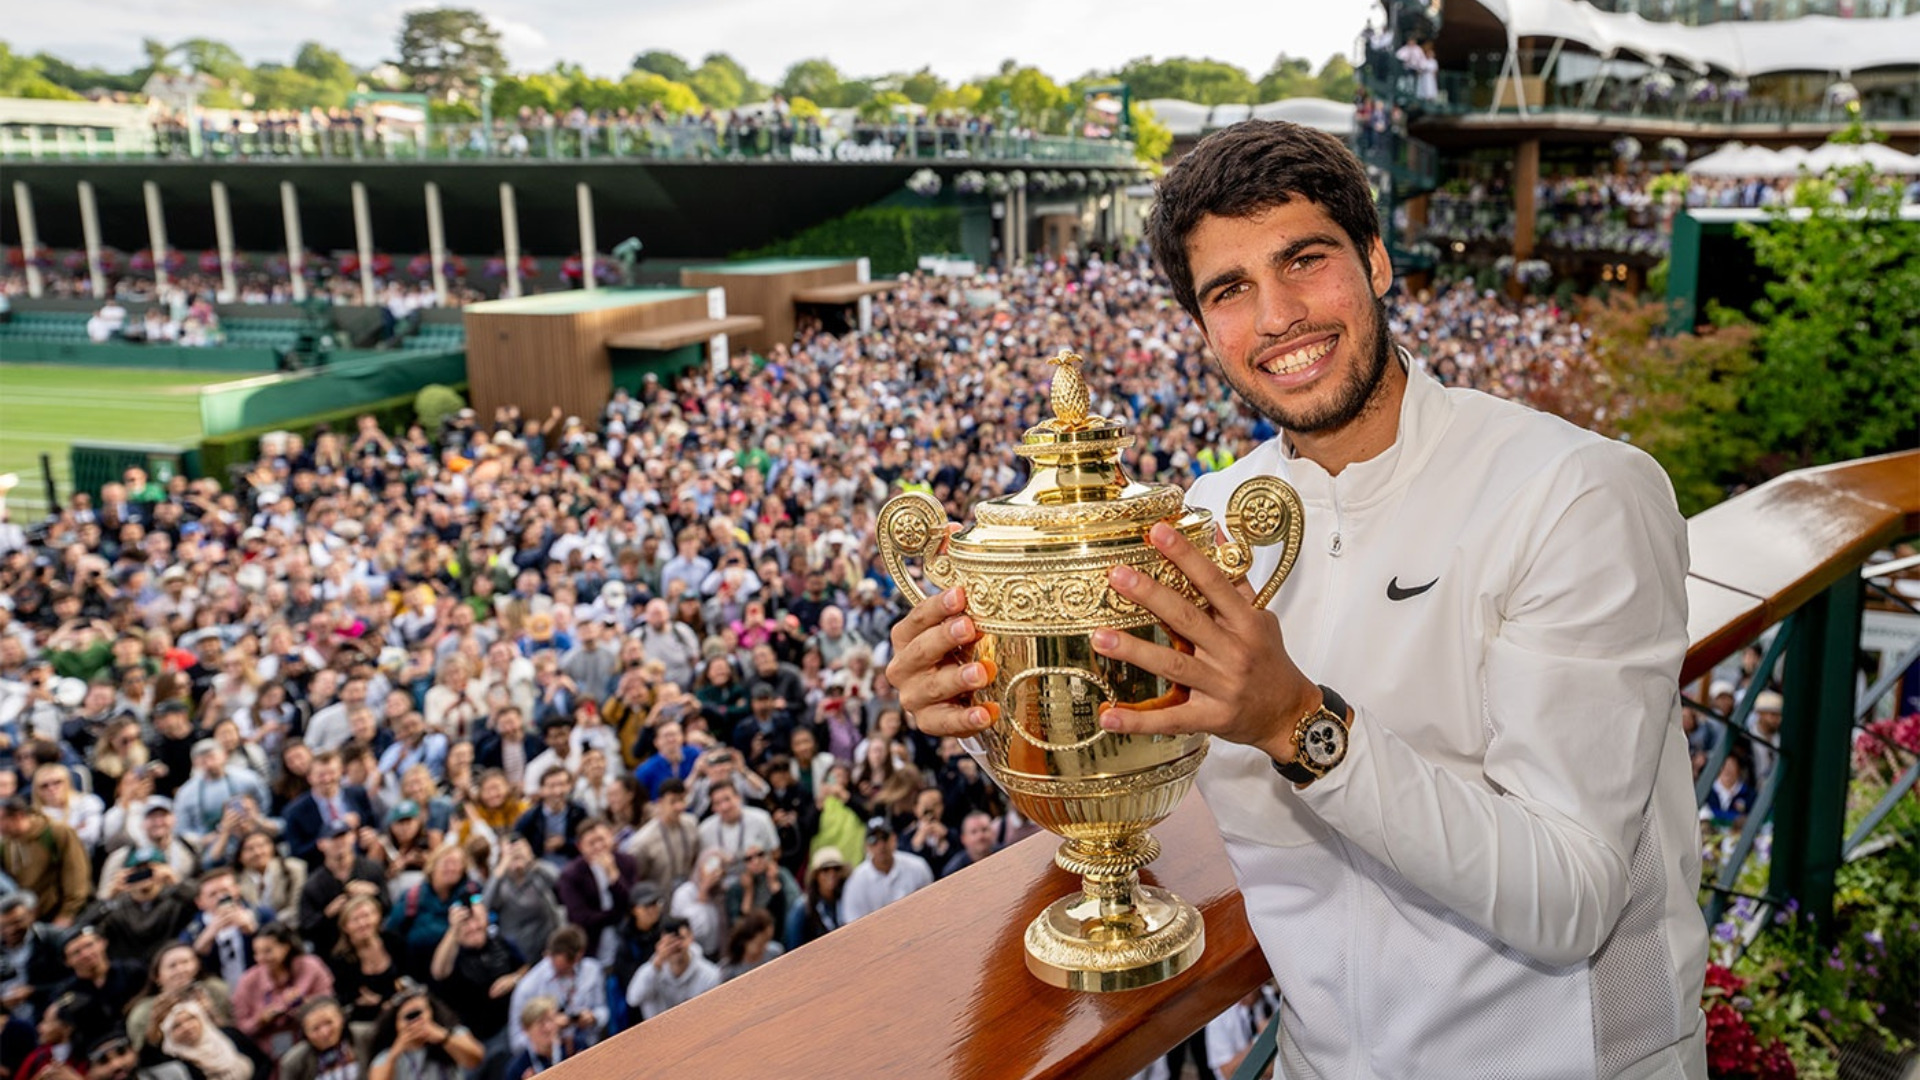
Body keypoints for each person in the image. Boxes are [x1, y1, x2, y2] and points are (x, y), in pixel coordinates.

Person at [889, 120, 1707, 1076]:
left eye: (1304, 260)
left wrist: (1298, 724)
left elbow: (1570, 901)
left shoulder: (1578, 491)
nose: (1275, 316)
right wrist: (987, 693)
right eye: (1229, 291)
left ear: (1377, 259)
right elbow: (1121, 763)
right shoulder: (1200, 521)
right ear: (1202, 327)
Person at [426, 897, 525, 1060]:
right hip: (472, 1037)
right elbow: (439, 971)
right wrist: (454, 930)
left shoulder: (499, 941)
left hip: (507, 1027)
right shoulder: (451, 951)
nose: (473, 927)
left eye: (477, 921)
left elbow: (526, 968)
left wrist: (513, 979)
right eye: (466, 925)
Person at [232, 921, 333, 1059]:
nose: (260, 959)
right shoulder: (248, 981)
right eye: (257, 953)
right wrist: (261, 1019)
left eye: (268, 951)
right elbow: (242, 1026)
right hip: (271, 1046)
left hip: (314, 1035)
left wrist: (303, 1004)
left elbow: (329, 1002)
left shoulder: (311, 966)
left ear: (285, 947)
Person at [505, 925, 607, 1053]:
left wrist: (593, 1018)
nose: (555, 966)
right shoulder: (528, 987)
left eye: (564, 967)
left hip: (589, 1047)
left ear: (578, 956)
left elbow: (603, 1011)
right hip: (550, 1058)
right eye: (553, 961)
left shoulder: (592, 970)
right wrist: (547, 1029)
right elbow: (517, 1042)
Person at [296, 821, 388, 958]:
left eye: (343, 836)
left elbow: (388, 907)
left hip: (373, 941)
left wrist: (374, 893)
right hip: (332, 949)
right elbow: (305, 929)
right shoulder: (313, 884)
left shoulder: (372, 869)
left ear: (352, 837)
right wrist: (327, 914)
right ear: (321, 844)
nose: (340, 843)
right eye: (333, 838)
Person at [555, 819, 639, 965]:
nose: (599, 847)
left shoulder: (627, 862)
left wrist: (614, 877)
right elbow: (580, 917)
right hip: (592, 942)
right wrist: (616, 915)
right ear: (580, 846)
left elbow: (633, 902)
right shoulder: (571, 875)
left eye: (602, 839)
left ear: (611, 837)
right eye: (591, 843)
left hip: (625, 938)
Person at [0, 795, 90, 925]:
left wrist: (68, 913)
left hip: (60, 914)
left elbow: (76, 874)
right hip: (30, 920)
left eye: (1, 819)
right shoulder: (7, 844)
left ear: (18, 816)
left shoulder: (57, 832)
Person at [365, 986, 483, 1080]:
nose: (416, 1022)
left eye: (418, 1014)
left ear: (431, 1013)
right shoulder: (388, 1055)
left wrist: (443, 1038)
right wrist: (395, 1052)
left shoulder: (451, 1033)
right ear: (396, 1024)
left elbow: (475, 1059)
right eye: (409, 1017)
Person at [622, 916, 720, 1022]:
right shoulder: (650, 971)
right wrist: (656, 965)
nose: (675, 946)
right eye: (669, 942)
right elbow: (633, 999)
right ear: (659, 944)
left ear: (691, 938)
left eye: (681, 939)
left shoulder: (710, 974)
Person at [837, 817, 932, 923]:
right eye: (873, 840)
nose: (881, 845)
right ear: (866, 846)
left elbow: (930, 905)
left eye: (885, 837)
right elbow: (853, 923)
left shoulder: (917, 867)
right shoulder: (856, 883)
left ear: (894, 839)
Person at [620, 779, 702, 898]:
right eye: (673, 802)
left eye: (682, 800)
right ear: (660, 803)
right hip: (659, 901)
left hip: (687, 896)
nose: (679, 807)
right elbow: (636, 877)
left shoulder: (691, 824)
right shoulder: (644, 840)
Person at [326, 896, 400, 1026]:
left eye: (366, 916)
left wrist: (383, 1001)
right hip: (364, 1020)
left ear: (378, 916)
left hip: (400, 1010)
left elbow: (408, 979)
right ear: (345, 927)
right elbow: (346, 998)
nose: (362, 924)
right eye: (355, 920)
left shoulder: (394, 942)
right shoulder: (340, 959)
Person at [275, 998, 375, 1080]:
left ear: (342, 1019)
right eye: (315, 1029)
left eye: (329, 1023)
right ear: (305, 1034)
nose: (324, 1033)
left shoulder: (365, 1036)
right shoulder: (293, 1062)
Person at [501, 996, 573, 1080]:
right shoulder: (518, 1069)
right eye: (540, 1023)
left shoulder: (574, 1047)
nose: (548, 1028)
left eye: (550, 1020)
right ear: (526, 1029)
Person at [941, 810, 998, 878]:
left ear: (993, 832)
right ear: (963, 839)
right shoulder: (953, 873)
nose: (980, 836)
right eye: (974, 832)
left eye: (984, 829)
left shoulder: (1006, 852)